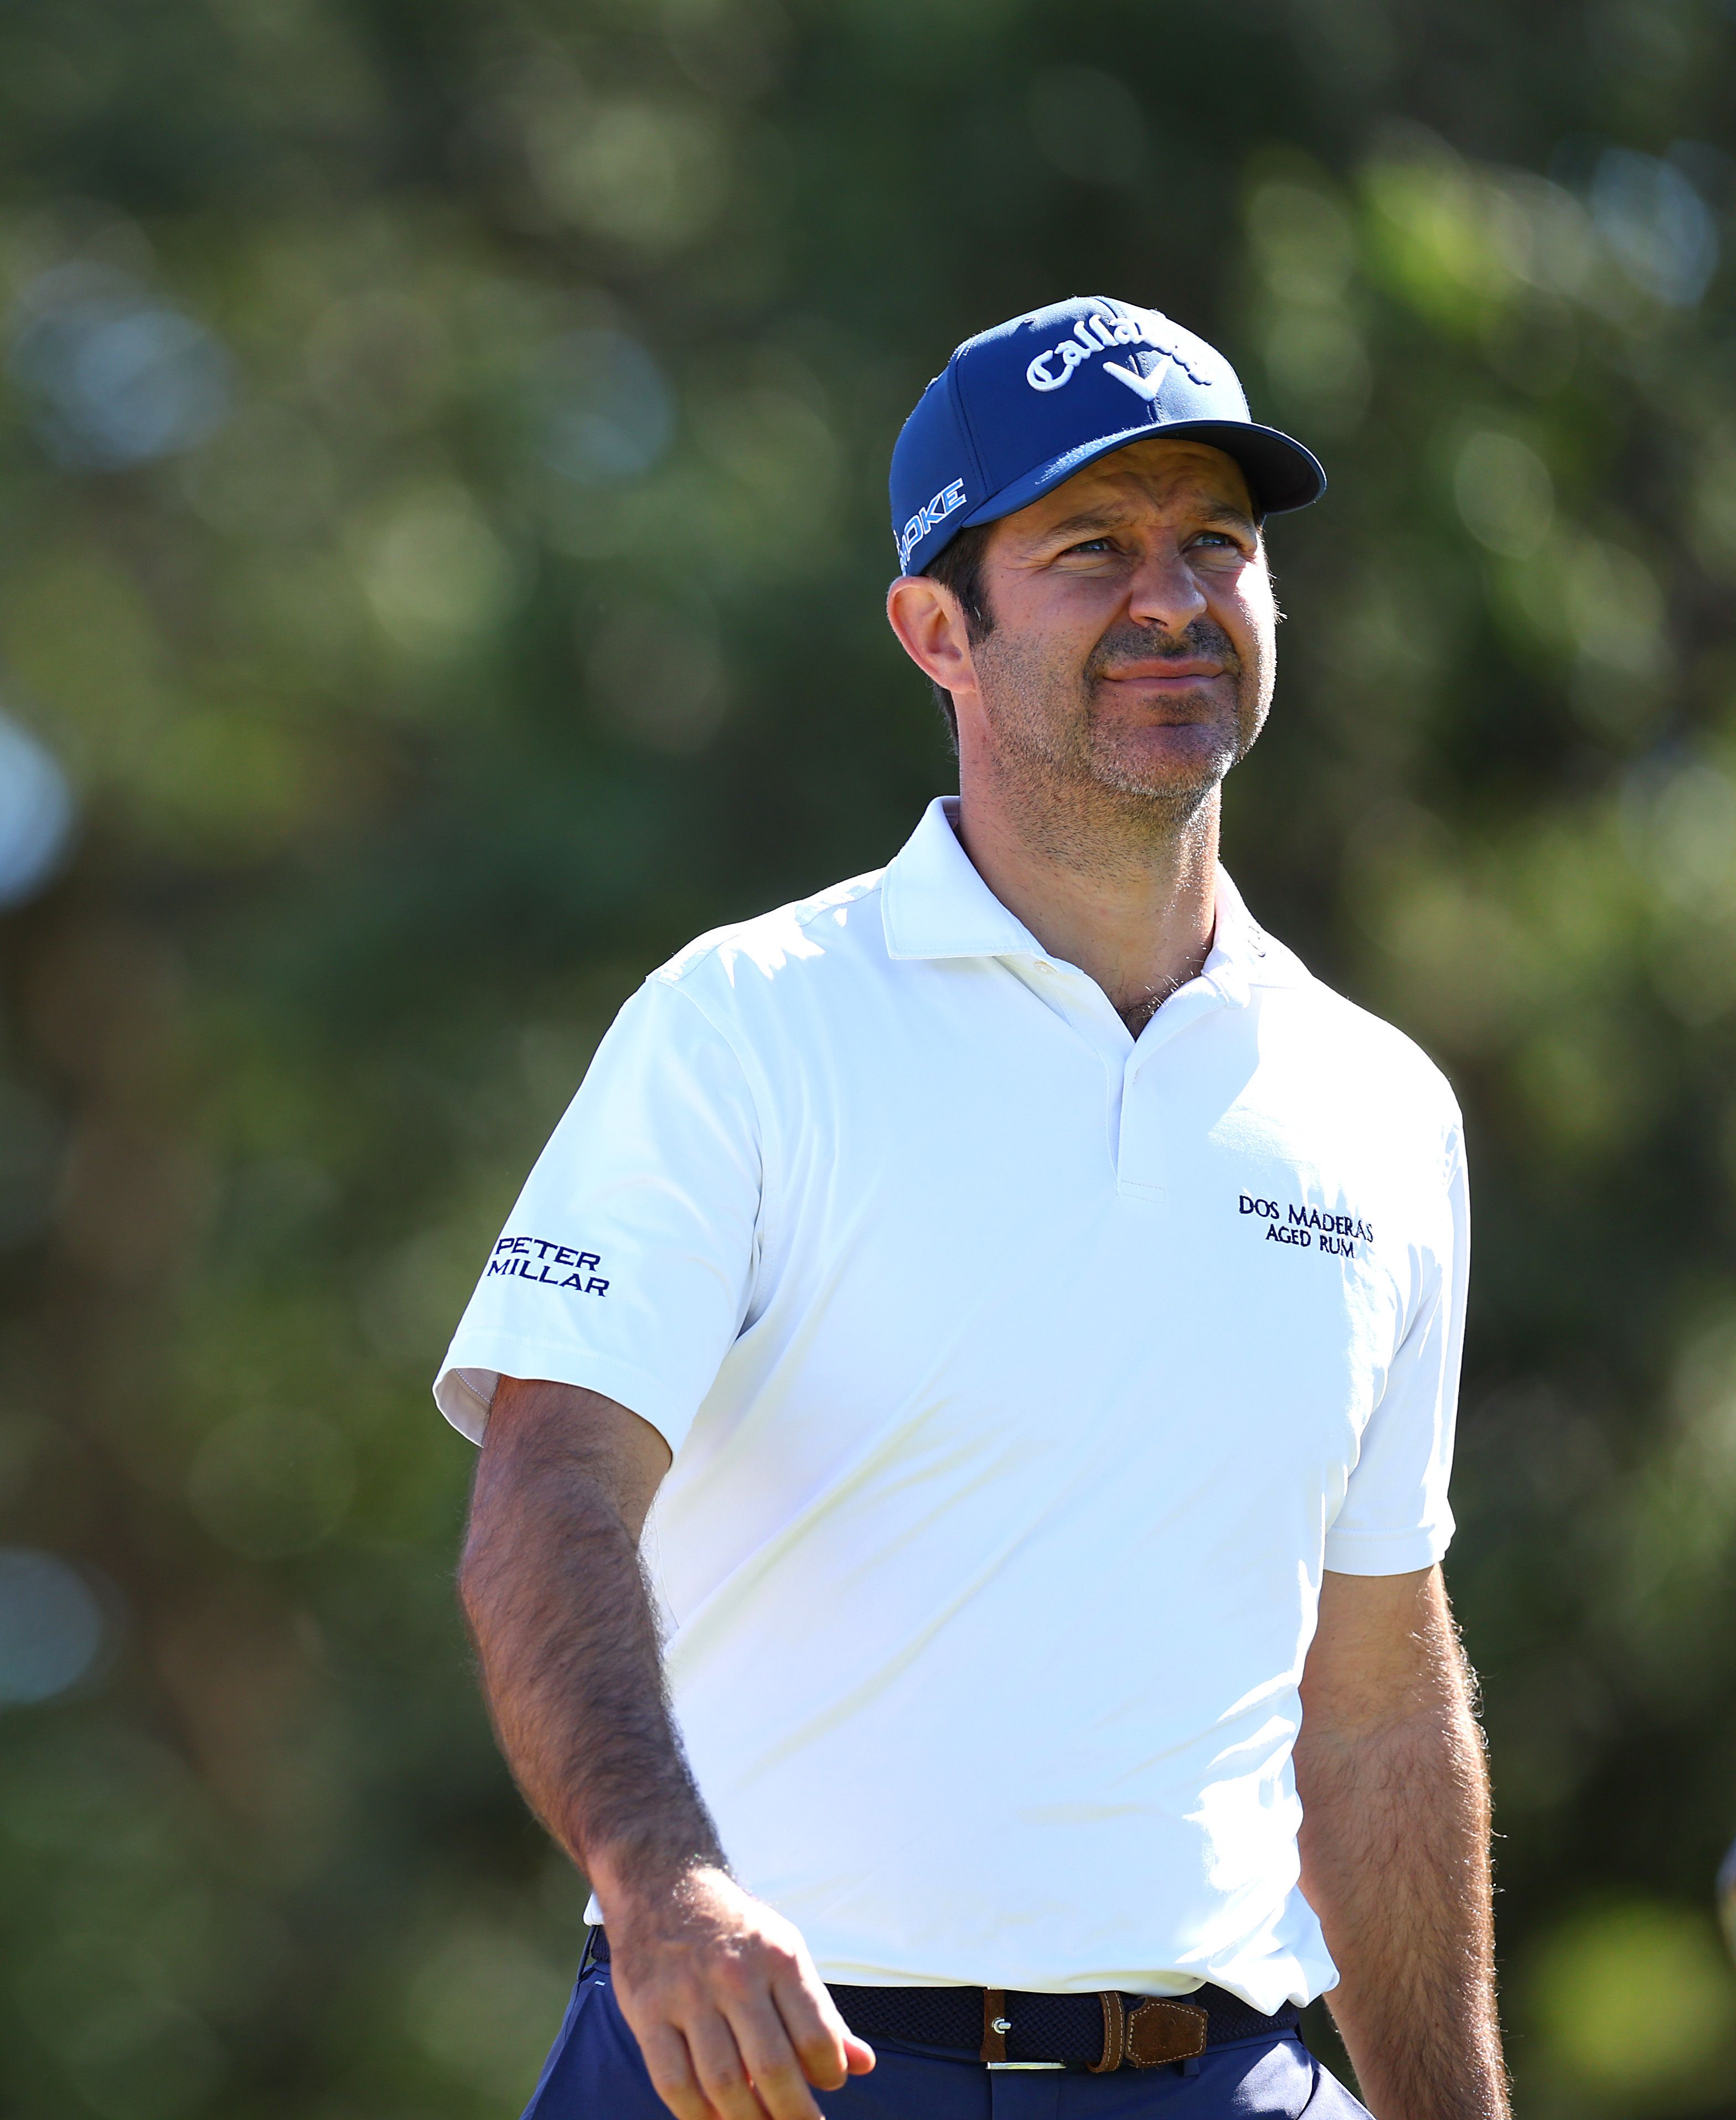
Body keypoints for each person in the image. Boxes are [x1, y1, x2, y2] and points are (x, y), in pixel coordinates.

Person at [443, 299, 1502, 2120]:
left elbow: (1384, 1699)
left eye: (1219, 546)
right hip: (755, 2069)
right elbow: (547, 1484)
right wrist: (661, 1884)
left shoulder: (1380, 1108)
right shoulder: (745, 1023)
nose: (1174, 597)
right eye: (1091, 548)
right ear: (939, 628)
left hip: (1217, 2076)